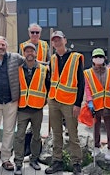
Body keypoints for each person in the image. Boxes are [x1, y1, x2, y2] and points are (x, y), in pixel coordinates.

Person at [45, 31, 84, 175]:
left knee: (73, 134)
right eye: (54, 40)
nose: (56, 42)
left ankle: (76, 163)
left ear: (65, 40)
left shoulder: (75, 57)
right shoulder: (53, 58)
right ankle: (57, 161)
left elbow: (81, 81)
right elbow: (50, 79)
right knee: (56, 133)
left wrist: (78, 103)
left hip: (69, 102)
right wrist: (49, 96)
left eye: (59, 39)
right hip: (54, 100)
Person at [0, 36, 24, 173]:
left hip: (11, 100)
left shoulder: (15, 58)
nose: (0, 47)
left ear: (6, 46)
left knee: (8, 131)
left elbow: (31, 62)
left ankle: (6, 159)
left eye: (3, 45)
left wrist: (48, 65)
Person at [14, 43, 50, 175]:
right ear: (24, 54)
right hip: (22, 107)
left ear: (35, 53)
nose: (29, 53)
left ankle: (34, 159)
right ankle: (18, 163)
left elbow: (48, 87)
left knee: (36, 136)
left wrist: (44, 101)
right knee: (19, 136)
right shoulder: (18, 69)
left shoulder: (44, 69)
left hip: (37, 108)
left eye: (32, 51)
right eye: (27, 51)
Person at [84, 48, 110, 161]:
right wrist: (89, 101)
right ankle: (96, 147)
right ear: (92, 59)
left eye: (100, 57)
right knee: (95, 127)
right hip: (95, 104)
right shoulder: (87, 73)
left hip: (108, 103)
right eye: (96, 57)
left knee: (109, 127)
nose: (98, 59)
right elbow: (87, 88)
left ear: (104, 58)